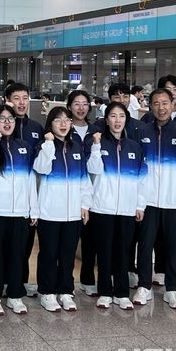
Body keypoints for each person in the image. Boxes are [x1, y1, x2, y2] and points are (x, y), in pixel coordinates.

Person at [132, 88, 176, 309]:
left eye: (165, 103)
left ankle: (173, 289)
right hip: (148, 200)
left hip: (175, 199)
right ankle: (144, 286)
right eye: (156, 103)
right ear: (150, 106)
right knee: (145, 245)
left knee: (173, 246)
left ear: (173, 105)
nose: (161, 108)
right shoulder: (142, 131)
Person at [0, 104, 39, 316]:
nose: (7, 122)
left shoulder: (24, 147)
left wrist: (33, 209)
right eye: (2, 118)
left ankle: (14, 294)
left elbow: (31, 180)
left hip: (20, 212)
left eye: (11, 118)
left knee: (17, 255)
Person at [87, 102, 147, 310]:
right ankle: (104, 291)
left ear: (126, 120)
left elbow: (142, 180)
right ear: (106, 120)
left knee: (124, 251)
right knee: (104, 251)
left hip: (127, 209)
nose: (117, 120)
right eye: (113, 116)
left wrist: (140, 206)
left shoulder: (135, 148)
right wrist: (95, 147)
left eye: (121, 116)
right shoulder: (98, 143)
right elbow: (93, 170)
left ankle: (122, 292)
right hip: (102, 208)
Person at [34, 107, 93, 312]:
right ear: (50, 124)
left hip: (73, 213)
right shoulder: (44, 146)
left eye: (67, 120)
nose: (63, 124)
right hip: (49, 211)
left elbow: (84, 179)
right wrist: (49, 144)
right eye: (58, 120)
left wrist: (85, 204)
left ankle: (66, 290)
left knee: (67, 254)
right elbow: (42, 168)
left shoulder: (76, 146)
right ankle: (47, 291)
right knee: (49, 253)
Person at [0, 82, 44, 297]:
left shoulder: (36, 128)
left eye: (25, 97)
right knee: (2, 246)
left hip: (29, 194)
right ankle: (3, 282)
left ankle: (19, 284)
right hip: (3, 198)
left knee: (24, 245)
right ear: (7, 100)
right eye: (16, 98)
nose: (22, 102)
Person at [67, 90, 98, 298]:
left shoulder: (97, 131)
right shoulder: (62, 127)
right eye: (76, 103)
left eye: (85, 103)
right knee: (68, 242)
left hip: (94, 190)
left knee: (90, 239)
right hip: (68, 190)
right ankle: (65, 283)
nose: (81, 107)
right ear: (69, 106)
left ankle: (88, 279)